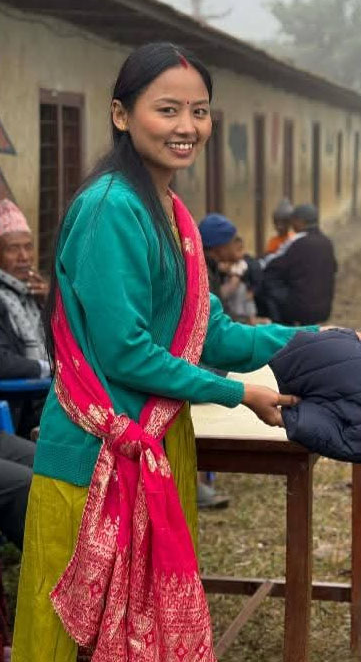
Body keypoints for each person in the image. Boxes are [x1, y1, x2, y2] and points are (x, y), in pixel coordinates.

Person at [11, 42, 328, 661]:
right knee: (62, 639)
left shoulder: (174, 215)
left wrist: (315, 340)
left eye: (200, 111)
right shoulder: (110, 209)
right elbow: (126, 353)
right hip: (94, 458)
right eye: (168, 109)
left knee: (142, 632)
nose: (187, 126)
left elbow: (214, 335)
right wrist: (238, 393)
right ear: (121, 114)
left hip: (158, 443)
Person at [0, 199, 50, 436]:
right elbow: (3, 362)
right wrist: (48, 368)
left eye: (28, 247)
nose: (24, 257)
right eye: (13, 249)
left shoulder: (33, 292)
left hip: (44, 398)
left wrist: (51, 303)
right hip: (18, 407)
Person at [261, 203, 337, 325]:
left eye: (293, 220)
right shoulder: (327, 242)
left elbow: (271, 266)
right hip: (324, 309)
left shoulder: (296, 241)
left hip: (301, 310)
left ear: (300, 221)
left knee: (266, 282)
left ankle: (281, 327)